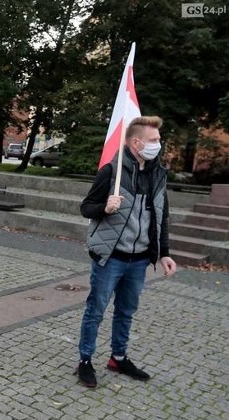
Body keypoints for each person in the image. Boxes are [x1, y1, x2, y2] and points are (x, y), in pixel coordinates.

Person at [76, 115, 177, 388]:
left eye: (158, 140)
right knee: (96, 310)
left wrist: (164, 252)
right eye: (153, 140)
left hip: (140, 259)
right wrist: (104, 208)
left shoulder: (158, 175)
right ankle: (85, 360)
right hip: (111, 257)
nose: (159, 144)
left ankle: (118, 357)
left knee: (126, 311)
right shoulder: (111, 171)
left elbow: (161, 216)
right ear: (136, 142)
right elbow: (86, 207)